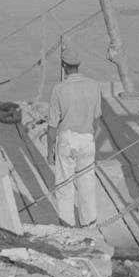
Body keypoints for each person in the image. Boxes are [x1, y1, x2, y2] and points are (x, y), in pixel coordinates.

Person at [47, 44, 101, 227]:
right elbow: (97, 120)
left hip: (67, 139)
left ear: (63, 65)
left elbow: (53, 125)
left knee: (64, 185)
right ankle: (89, 224)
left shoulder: (59, 89)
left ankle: (67, 224)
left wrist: (49, 150)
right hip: (87, 138)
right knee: (87, 183)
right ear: (79, 64)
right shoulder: (94, 86)